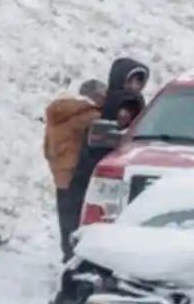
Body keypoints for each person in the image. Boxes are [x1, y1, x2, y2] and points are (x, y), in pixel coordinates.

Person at [68, 58, 151, 227]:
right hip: (97, 172)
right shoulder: (121, 102)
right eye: (131, 80)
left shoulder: (136, 103)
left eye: (139, 81)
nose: (134, 86)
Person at [43, 79, 105, 262]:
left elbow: (48, 147)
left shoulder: (59, 113)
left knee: (66, 218)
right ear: (95, 96)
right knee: (79, 218)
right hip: (78, 173)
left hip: (60, 172)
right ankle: (75, 257)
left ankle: (67, 254)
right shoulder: (89, 116)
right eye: (103, 96)